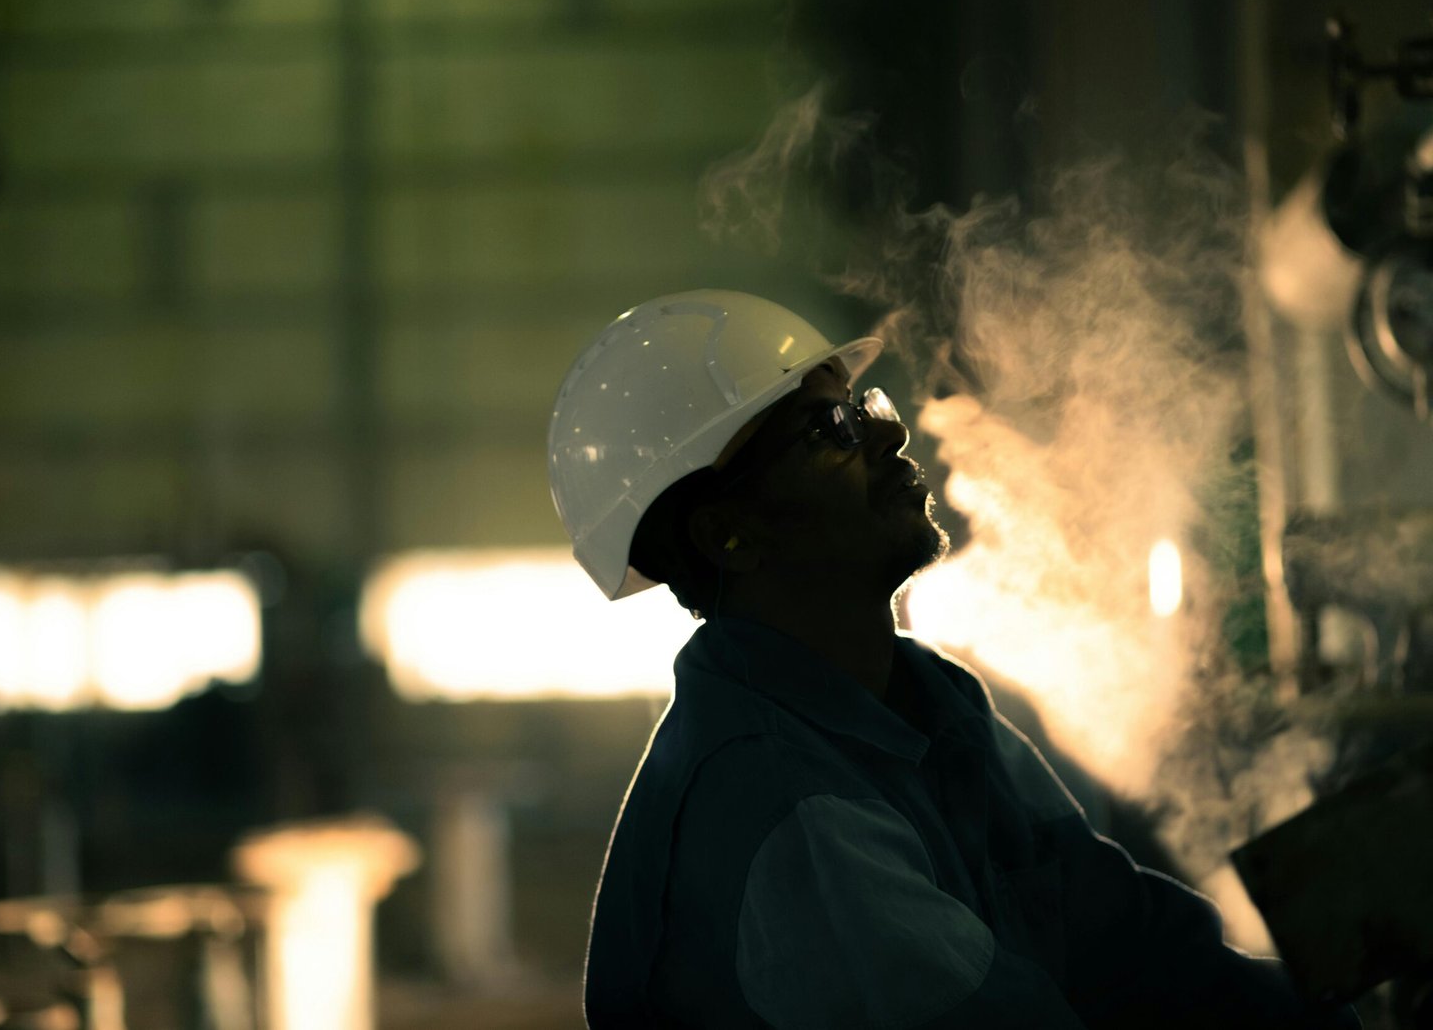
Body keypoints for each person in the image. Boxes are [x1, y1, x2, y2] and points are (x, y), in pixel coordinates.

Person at [546, 290, 1359, 1029]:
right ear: (729, 533)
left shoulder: (933, 706)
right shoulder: (781, 810)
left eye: (863, 406)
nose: (889, 431)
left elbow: (1122, 942)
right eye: (830, 430)